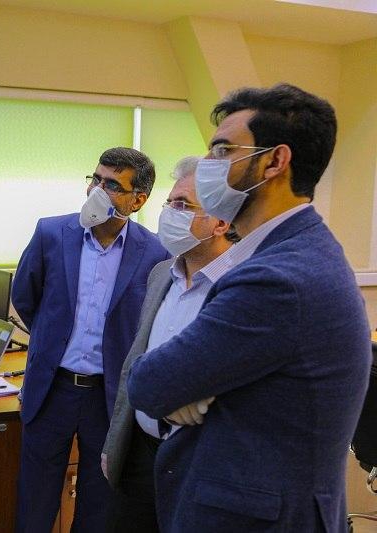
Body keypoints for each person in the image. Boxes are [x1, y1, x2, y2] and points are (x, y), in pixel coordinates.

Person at [126, 84, 372, 532]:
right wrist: (192, 387)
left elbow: (148, 383)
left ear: (275, 162)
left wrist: (188, 389)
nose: (208, 164)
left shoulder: (277, 278)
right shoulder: (301, 249)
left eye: (223, 151)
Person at [12, 147, 170, 532]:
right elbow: (25, 299)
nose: (97, 190)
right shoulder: (51, 233)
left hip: (108, 396)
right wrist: (50, 341)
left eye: (112, 185)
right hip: (53, 388)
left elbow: (150, 324)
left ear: (138, 200)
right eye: (95, 179)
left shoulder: (155, 252)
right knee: (35, 501)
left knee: (98, 506)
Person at [102, 156, 238, 532]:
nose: (170, 213)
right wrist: (115, 445)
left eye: (183, 205)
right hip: (140, 454)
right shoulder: (162, 274)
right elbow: (136, 360)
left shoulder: (243, 286)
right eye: (170, 202)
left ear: (221, 222)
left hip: (199, 461)